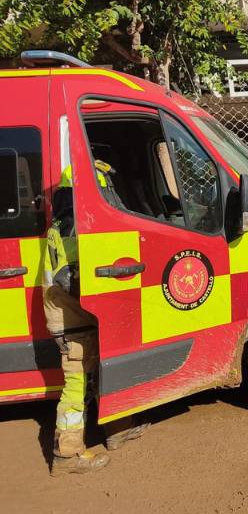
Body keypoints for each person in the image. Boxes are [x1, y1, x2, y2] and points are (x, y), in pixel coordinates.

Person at [44, 164, 148, 475]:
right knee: (77, 386)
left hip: (78, 317)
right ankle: (66, 453)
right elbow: (73, 280)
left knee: (109, 371)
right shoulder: (72, 228)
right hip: (73, 321)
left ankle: (117, 429)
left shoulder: (64, 223)